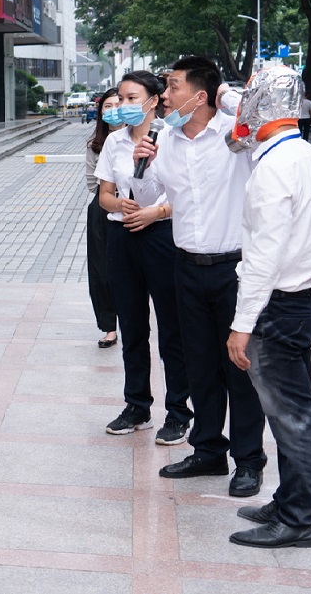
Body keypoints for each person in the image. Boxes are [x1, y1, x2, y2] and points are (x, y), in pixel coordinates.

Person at [133, 56, 267, 496]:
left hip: (234, 269)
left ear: (201, 95)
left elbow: (260, 113)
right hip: (186, 267)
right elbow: (147, 196)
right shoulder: (165, 140)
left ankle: (248, 460)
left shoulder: (236, 136)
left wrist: (227, 96)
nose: (165, 96)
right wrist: (140, 162)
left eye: (173, 87)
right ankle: (208, 450)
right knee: (200, 365)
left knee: (239, 367)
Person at [225, 62, 311, 549]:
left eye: (249, 95)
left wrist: (241, 325)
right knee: (291, 411)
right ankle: (289, 501)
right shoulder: (309, 156)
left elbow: (264, 257)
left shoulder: (273, 168)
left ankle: (297, 520)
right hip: (299, 303)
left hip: (277, 306)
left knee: (293, 417)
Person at [96, 72, 188, 440]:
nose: (123, 105)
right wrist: (120, 204)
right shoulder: (115, 141)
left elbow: (188, 195)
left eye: (132, 98)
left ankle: (178, 412)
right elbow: (104, 195)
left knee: (172, 328)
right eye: (120, 98)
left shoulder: (173, 138)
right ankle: (137, 405)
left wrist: (156, 212)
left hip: (162, 236)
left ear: (153, 100)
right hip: (122, 236)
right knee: (132, 327)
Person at [83, 89, 125, 347]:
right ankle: (109, 326)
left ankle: (134, 319)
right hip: (102, 209)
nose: (113, 111)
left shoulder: (142, 137)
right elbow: (92, 184)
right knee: (101, 270)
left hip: (136, 208)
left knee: (130, 269)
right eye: (107, 107)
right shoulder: (95, 144)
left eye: (117, 104)